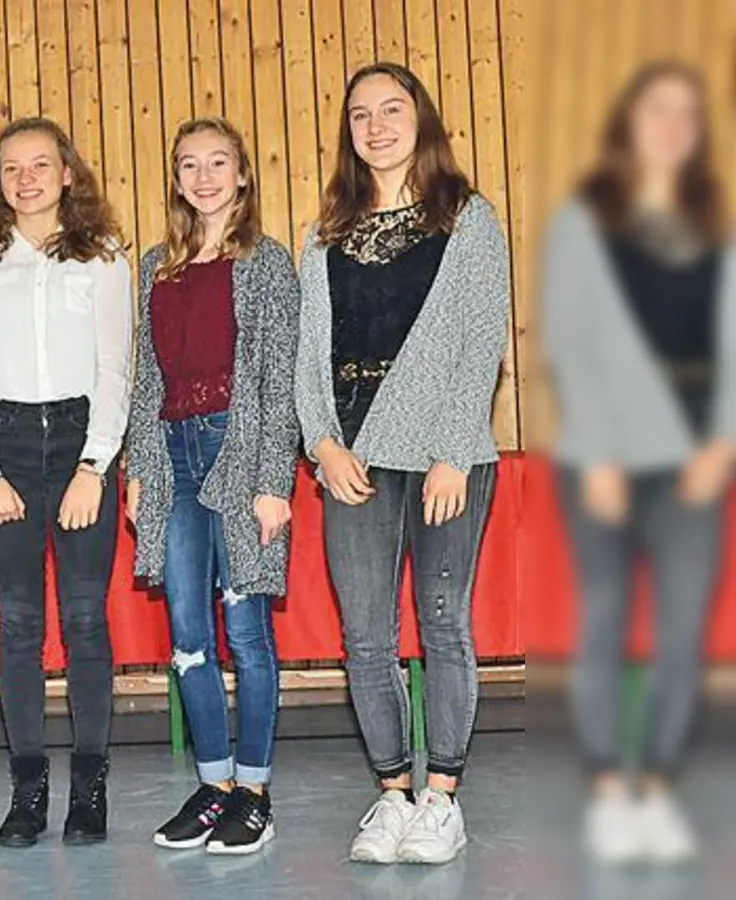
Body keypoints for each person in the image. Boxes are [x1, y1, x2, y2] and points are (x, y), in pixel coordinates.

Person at [294, 62, 509, 865]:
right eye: (360, 115)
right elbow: (309, 356)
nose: (377, 126)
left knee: (445, 624)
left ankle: (442, 798)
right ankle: (392, 794)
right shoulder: (328, 234)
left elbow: (481, 340)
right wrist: (319, 442)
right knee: (365, 636)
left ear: (421, 119)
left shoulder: (467, 217)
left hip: (445, 457)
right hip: (352, 460)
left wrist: (456, 450)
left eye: (392, 109)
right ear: (348, 133)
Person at [543, 62, 731, 865]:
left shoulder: (716, 226)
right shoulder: (586, 223)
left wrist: (720, 446)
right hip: (606, 457)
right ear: (630, 122)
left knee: (682, 632)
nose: (673, 127)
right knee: (605, 624)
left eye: (688, 116)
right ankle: (606, 794)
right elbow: (572, 345)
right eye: (660, 111)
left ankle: (655, 787)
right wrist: (602, 453)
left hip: (694, 458)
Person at [0, 116, 132, 848]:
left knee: (85, 619)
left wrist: (95, 465)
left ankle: (90, 785)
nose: (26, 179)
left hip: (83, 442)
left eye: (40, 165)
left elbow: (116, 367)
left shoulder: (104, 255)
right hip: (8, 449)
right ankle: (28, 789)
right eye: (11, 168)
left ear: (66, 173)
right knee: (20, 623)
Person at [125, 117, 300, 855]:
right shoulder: (156, 266)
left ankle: (255, 791)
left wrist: (272, 480)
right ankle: (215, 783)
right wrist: (139, 468)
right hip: (172, 454)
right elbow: (145, 376)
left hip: (239, 451)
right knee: (189, 638)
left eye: (217, 163)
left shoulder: (266, 261)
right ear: (176, 178)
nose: (203, 177)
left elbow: (277, 378)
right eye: (189, 165)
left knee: (248, 633)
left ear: (242, 174)